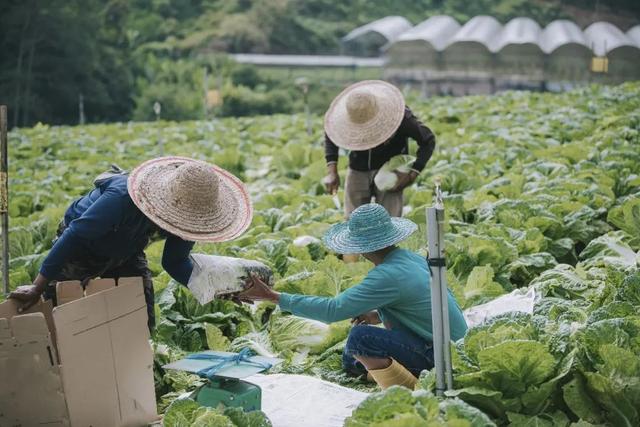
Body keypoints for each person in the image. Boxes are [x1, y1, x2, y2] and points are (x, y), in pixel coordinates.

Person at [238, 203, 467, 390]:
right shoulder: (409, 258)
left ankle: (411, 384)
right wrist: (376, 316)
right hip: (454, 346)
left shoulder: (387, 275)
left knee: (359, 339)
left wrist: (273, 296)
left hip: (441, 356)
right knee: (350, 358)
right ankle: (391, 371)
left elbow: (333, 310)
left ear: (361, 247)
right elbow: (418, 303)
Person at [9, 156, 253, 330]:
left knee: (140, 313)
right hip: (80, 248)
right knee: (57, 312)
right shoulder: (122, 197)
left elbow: (175, 262)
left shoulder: (189, 220)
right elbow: (75, 235)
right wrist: (38, 286)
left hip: (127, 251)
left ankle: (136, 372)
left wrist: (219, 289)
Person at [323, 80, 436, 220]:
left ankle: (388, 243)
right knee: (353, 223)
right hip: (358, 168)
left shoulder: (400, 116)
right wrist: (332, 172)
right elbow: (331, 133)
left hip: (390, 171)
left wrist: (412, 175)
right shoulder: (343, 117)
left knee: (390, 224)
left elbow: (428, 140)